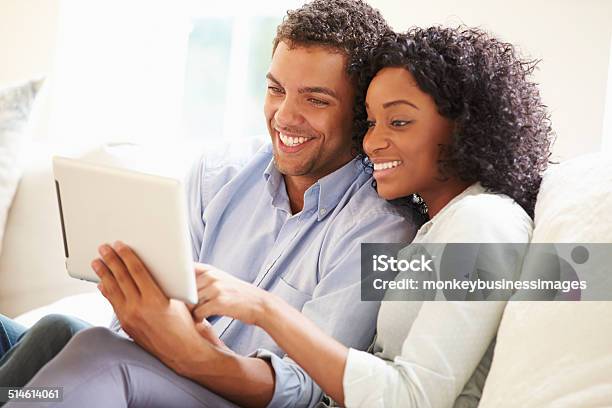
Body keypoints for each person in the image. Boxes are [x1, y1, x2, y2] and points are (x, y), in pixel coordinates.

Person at [4, 1, 419, 408]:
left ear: (361, 114)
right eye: (276, 89)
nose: (285, 116)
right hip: (155, 368)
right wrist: (139, 311)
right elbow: (148, 321)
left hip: (232, 395)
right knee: (54, 331)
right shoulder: (219, 173)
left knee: (89, 345)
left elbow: (307, 389)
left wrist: (195, 354)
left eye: (316, 100)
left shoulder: (381, 229)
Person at [165, 27, 553, 407]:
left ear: (466, 126)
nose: (371, 142)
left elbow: (414, 398)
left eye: (398, 122)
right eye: (370, 123)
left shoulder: (483, 222)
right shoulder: (439, 225)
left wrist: (264, 309)